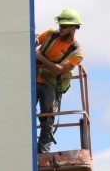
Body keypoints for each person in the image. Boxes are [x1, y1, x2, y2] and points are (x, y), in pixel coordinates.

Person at [34, 9, 84, 153]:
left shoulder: (77, 53)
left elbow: (58, 70)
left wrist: (41, 58)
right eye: (60, 25)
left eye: (64, 26)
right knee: (26, 112)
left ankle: (42, 153)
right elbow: (35, 40)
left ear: (74, 27)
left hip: (51, 85)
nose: (60, 28)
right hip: (33, 80)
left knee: (47, 119)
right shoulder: (50, 34)